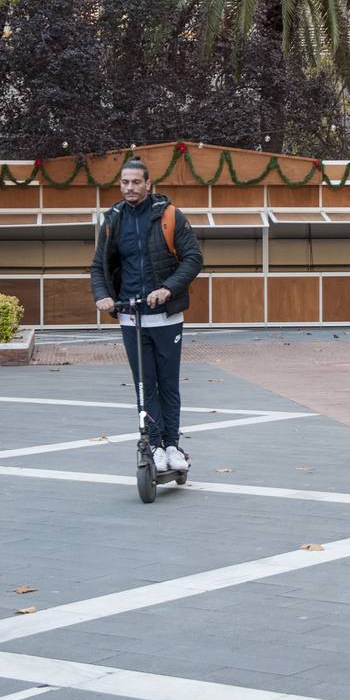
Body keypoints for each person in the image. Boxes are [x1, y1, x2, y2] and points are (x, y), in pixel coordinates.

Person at [90, 159, 204, 473]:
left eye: (136, 182)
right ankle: (153, 445)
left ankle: (172, 446)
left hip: (166, 318)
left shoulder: (169, 216)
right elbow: (99, 266)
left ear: (148, 184)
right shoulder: (113, 220)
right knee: (144, 384)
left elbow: (193, 258)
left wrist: (168, 289)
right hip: (131, 317)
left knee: (168, 384)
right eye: (125, 182)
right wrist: (102, 295)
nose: (129, 187)